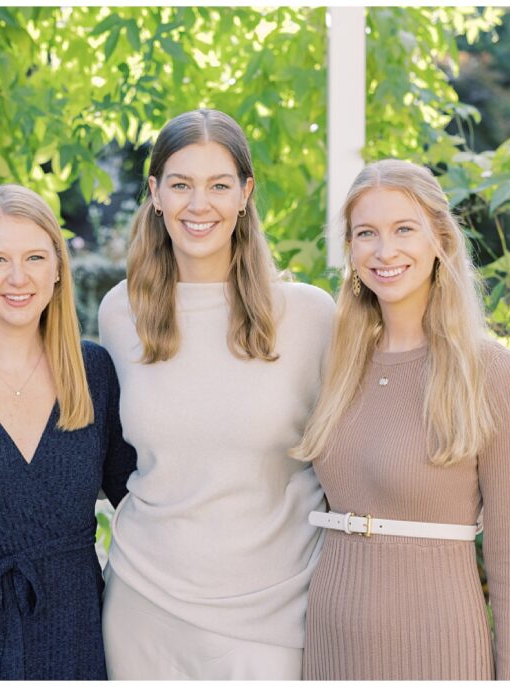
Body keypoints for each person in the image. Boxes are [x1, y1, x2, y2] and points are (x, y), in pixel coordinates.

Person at [97, 108, 335, 679]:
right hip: (143, 607)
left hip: (276, 613)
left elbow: (345, 463)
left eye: (219, 185)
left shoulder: (309, 316)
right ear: (155, 193)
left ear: (245, 194)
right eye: (181, 184)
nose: (198, 204)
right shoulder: (120, 312)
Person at [293, 159, 510, 680]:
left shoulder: (492, 373)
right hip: (331, 647)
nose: (385, 251)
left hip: (437, 646)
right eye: (366, 233)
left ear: (440, 239)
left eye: (404, 228)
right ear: (350, 247)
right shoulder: (337, 364)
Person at [0, 184, 137, 680]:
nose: (18, 277)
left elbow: (142, 502)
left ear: (57, 268)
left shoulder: (95, 373)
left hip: (77, 635)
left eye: (35, 257)